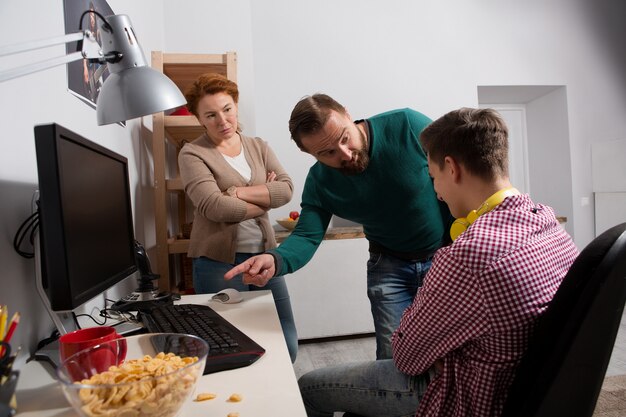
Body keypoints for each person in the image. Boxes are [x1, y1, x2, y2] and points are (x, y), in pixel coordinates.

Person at [297, 107, 579, 417]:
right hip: (523, 383)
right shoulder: (548, 223)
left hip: (467, 393)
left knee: (308, 387)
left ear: (452, 168)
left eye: (432, 177)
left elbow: (405, 358)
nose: (436, 192)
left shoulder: (466, 256)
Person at [225, 94, 452, 360]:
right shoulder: (320, 183)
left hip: (445, 256)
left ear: (347, 113)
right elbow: (307, 237)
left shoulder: (408, 125)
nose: (345, 154)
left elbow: (457, 171)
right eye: (328, 153)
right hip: (388, 266)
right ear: (308, 153)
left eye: (345, 138)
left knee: (448, 352)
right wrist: (275, 260)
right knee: (394, 360)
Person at [178, 73, 298, 362]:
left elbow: (286, 190)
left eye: (227, 109)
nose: (223, 120)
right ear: (199, 119)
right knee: (231, 346)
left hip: (265, 257)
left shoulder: (258, 146)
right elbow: (213, 207)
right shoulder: (192, 153)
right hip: (218, 262)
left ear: (236, 106)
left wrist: (234, 192)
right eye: (211, 114)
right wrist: (263, 196)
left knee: (287, 343)